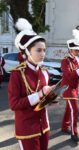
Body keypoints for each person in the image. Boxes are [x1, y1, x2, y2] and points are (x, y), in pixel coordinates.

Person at [8, 18, 54, 150]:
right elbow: (14, 104)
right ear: (28, 52)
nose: (43, 54)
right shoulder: (17, 74)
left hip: (44, 126)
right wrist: (40, 94)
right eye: (38, 50)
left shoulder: (45, 72)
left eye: (44, 50)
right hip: (26, 128)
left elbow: (44, 98)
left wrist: (51, 98)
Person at [61, 29, 79, 143]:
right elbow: (69, 76)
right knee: (75, 110)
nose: (78, 51)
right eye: (76, 50)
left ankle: (64, 127)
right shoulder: (65, 61)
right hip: (68, 88)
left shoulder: (77, 60)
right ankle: (74, 133)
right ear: (70, 49)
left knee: (69, 109)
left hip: (75, 88)